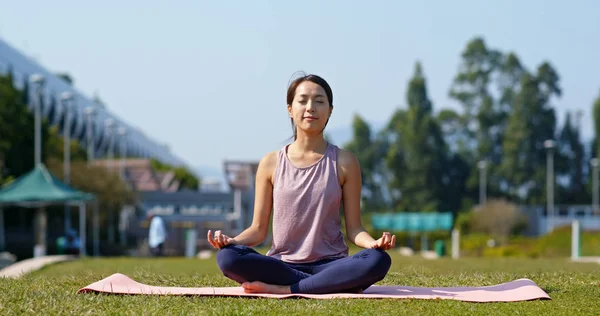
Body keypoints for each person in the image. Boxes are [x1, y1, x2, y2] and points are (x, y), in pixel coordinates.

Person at [207, 73, 396, 295]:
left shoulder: (345, 162)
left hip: (331, 264)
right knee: (228, 257)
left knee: (377, 260)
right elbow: (258, 230)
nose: (311, 108)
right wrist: (232, 240)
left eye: (319, 101)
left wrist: (373, 243)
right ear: (290, 109)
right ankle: (320, 285)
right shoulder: (270, 163)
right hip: (282, 265)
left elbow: (354, 229)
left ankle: (288, 289)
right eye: (303, 100)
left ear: (330, 110)